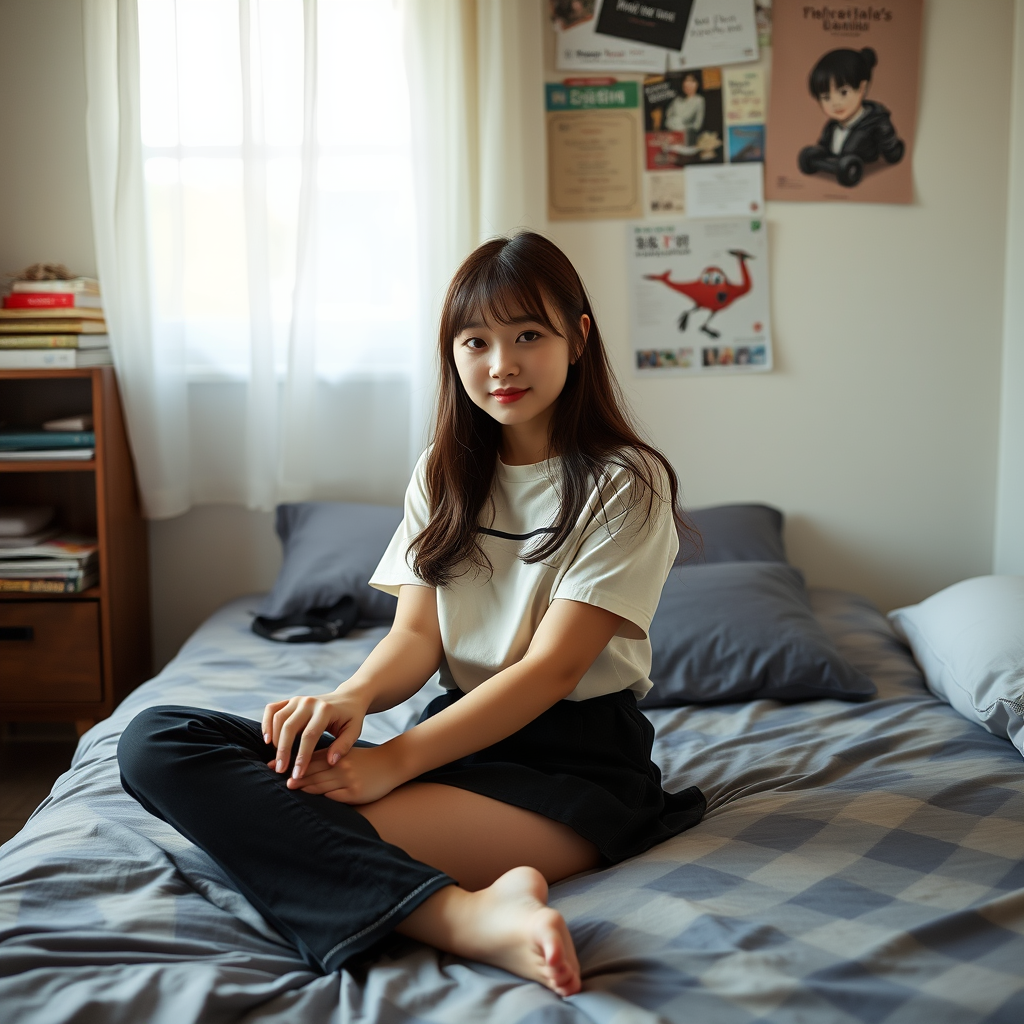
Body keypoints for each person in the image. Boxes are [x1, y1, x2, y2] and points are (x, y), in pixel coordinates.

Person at [117, 232, 705, 998]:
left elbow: (553, 668)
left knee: (295, 829)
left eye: (529, 334)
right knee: (158, 740)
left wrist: (398, 760)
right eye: (476, 341)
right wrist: (349, 700)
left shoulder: (626, 482)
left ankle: (467, 922)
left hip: (573, 762)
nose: (502, 364)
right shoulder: (444, 472)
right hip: (455, 735)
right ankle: (471, 909)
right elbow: (417, 637)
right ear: (451, 353)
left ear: (579, 338)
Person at [798, 47, 905, 188]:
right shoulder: (832, 126)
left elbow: (888, 144)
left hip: (855, 160)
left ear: (862, 88)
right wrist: (817, 154)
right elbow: (823, 145)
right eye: (826, 97)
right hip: (842, 160)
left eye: (843, 93)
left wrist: (892, 150)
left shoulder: (876, 122)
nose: (835, 103)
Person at [664, 72, 705, 138]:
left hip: (688, 136)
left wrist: (683, 128)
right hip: (671, 134)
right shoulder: (677, 100)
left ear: (697, 84)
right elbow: (668, 118)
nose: (688, 84)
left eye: (692, 81)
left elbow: (697, 125)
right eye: (686, 80)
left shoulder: (699, 100)